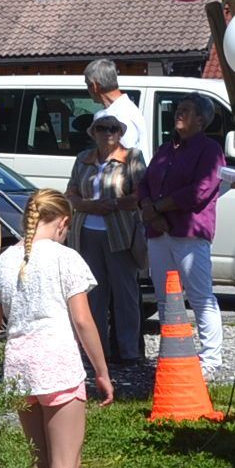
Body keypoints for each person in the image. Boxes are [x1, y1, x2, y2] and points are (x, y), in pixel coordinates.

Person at [0, 189, 114, 468]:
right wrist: (101, 371)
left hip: (20, 370)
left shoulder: (3, 262)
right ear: (64, 222)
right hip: (59, 367)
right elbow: (83, 321)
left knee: (36, 466)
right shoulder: (67, 259)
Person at [138, 96, 228, 374]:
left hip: (188, 232)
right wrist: (150, 211)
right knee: (165, 297)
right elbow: (143, 183)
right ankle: (173, 352)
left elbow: (200, 190)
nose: (178, 114)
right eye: (178, 109)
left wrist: (159, 208)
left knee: (200, 295)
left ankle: (211, 359)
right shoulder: (166, 149)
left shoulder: (210, 150)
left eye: (186, 111)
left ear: (201, 120)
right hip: (159, 232)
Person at [66, 116, 148, 362]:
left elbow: (141, 193)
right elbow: (71, 192)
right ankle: (97, 353)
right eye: (102, 128)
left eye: (114, 129)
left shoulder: (132, 158)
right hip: (86, 234)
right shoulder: (83, 159)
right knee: (93, 296)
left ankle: (129, 352)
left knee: (126, 294)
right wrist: (88, 206)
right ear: (93, 133)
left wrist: (112, 204)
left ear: (121, 133)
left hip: (120, 234)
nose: (108, 133)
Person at [83, 60, 148, 159]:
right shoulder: (122, 109)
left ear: (95, 86)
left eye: (88, 85)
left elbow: (123, 159)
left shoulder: (122, 115)